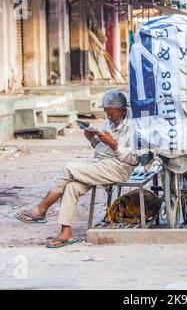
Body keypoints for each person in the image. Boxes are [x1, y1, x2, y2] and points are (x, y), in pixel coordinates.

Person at [15, 89, 138, 248]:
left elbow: (134, 160)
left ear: (123, 111)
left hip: (118, 169)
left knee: (68, 169)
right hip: (99, 164)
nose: (108, 117)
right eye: (107, 113)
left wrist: (113, 143)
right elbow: (102, 149)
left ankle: (41, 209)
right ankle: (66, 232)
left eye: (112, 114)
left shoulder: (134, 126)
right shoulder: (110, 120)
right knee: (72, 187)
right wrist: (92, 139)